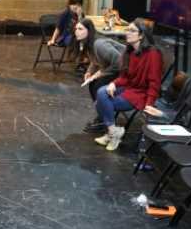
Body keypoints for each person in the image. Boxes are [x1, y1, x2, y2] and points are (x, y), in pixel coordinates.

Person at [94, 18, 163, 152]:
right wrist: (114, 83)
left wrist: (149, 104)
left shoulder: (153, 54)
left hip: (140, 94)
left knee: (100, 102)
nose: (128, 33)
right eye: (128, 30)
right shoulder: (129, 51)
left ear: (141, 35)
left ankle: (111, 134)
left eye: (132, 31)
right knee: (102, 92)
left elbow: (155, 83)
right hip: (129, 88)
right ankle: (114, 132)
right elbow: (125, 77)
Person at [69, 18, 126, 134]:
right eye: (76, 29)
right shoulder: (88, 43)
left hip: (126, 70)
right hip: (115, 68)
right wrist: (89, 72)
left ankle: (104, 118)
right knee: (93, 84)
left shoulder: (99, 44)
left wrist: (100, 73)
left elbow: (119, 63)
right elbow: (94, 60)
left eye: (80, 29)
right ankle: (103, 115)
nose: (76, 31)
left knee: (98, 84)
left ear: (89, 31)